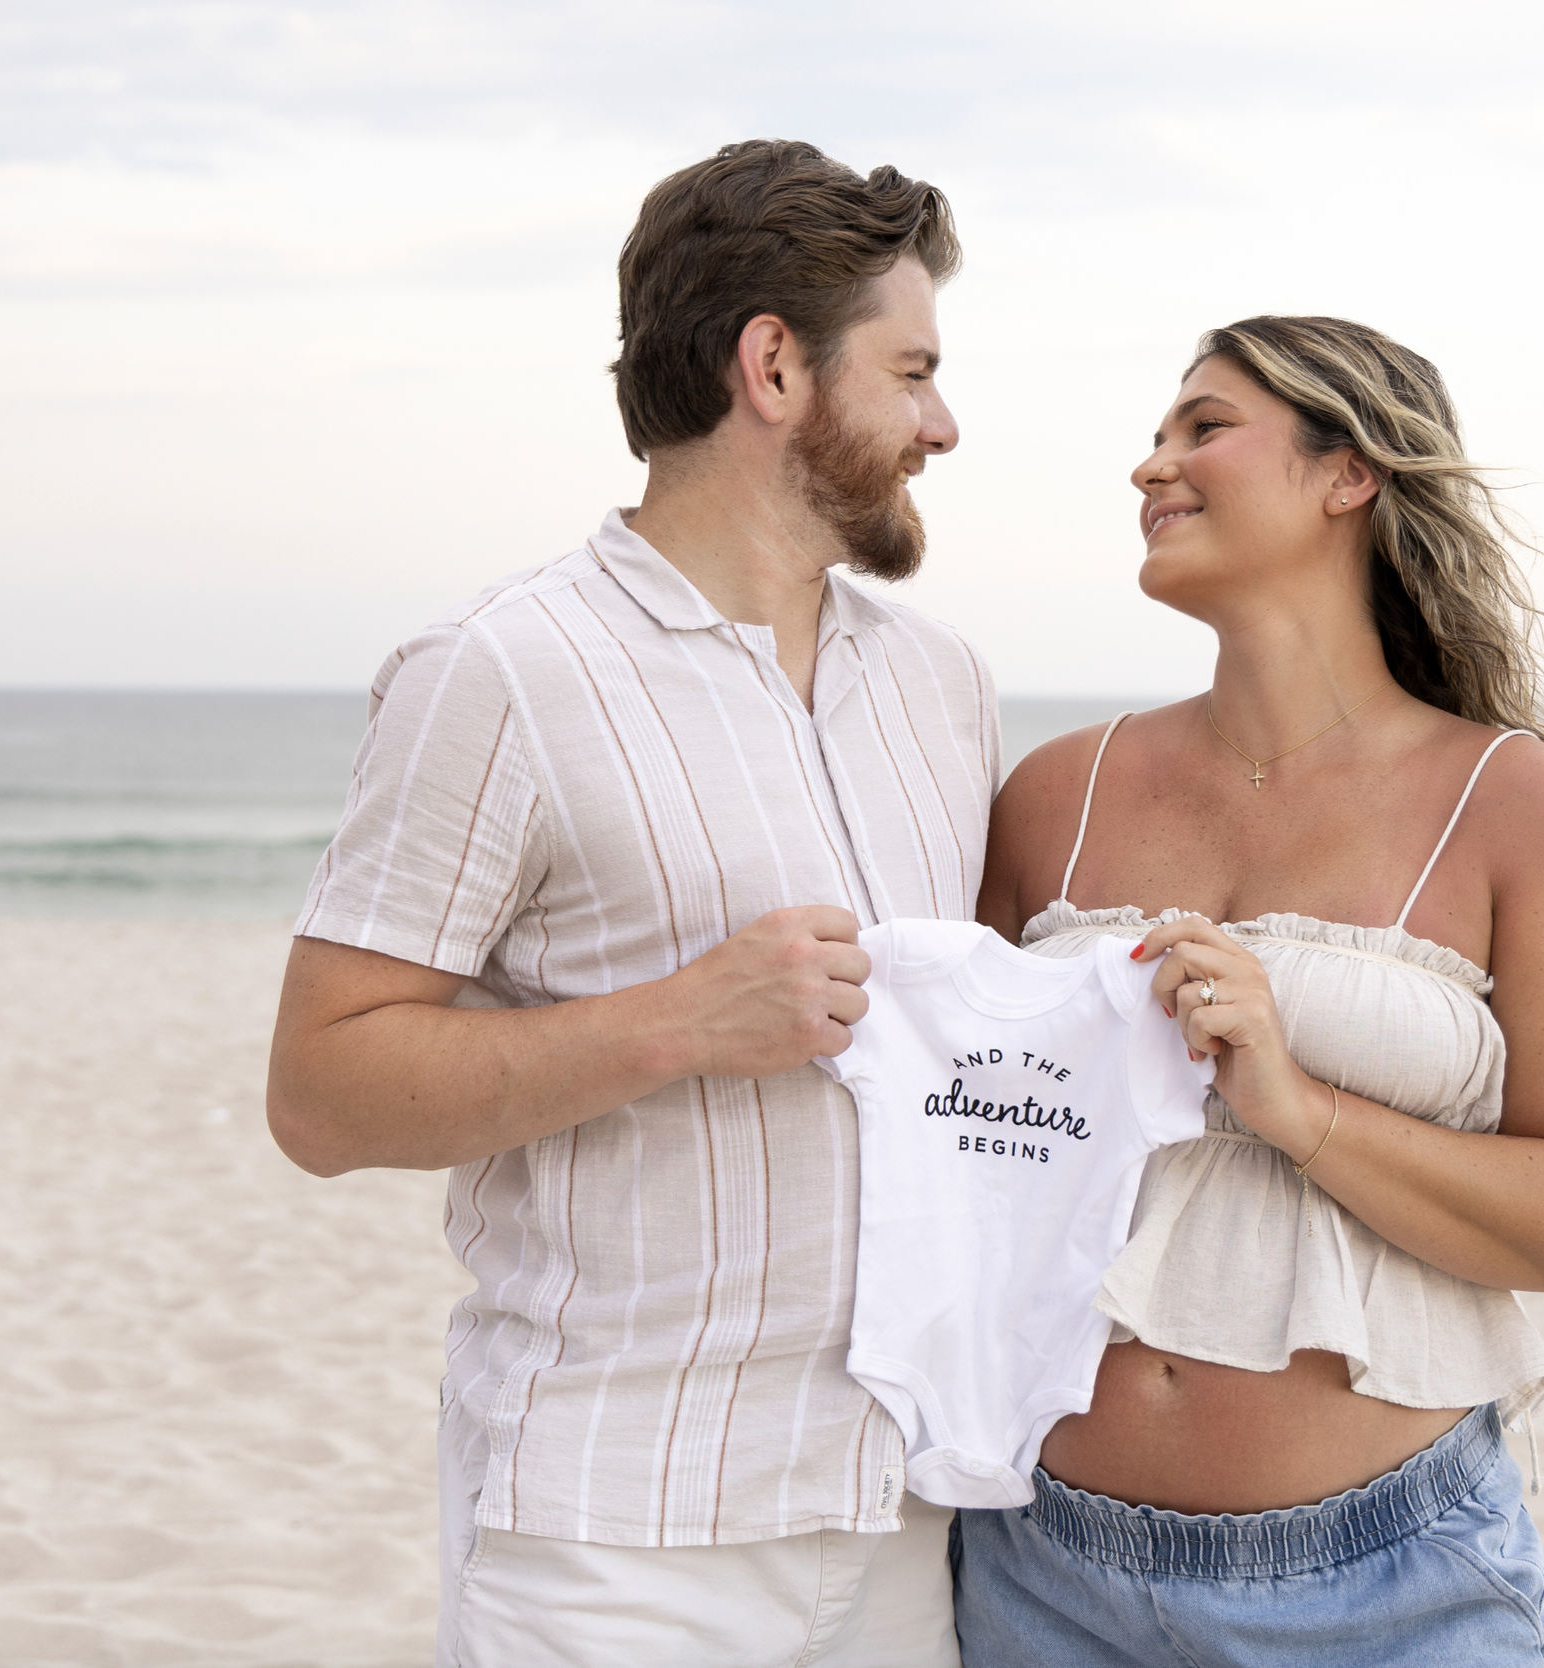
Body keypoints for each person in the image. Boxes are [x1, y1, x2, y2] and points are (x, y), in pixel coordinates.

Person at [265, 139, 992, 1668]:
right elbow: (322, 1092)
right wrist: (677, 1022)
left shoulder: (943, 686)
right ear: (774, 367)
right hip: (613, 1535)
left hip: (903, 1515)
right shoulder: (503, 672)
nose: (943, 423)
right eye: (912, 371)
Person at [961, 315, 1544, 1665]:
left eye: (1202, 427)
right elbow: (966, 1157)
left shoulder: (1508, 801)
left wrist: (1295, 1104)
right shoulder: (1056, 792)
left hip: (1390, 1587)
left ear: (1351, 476)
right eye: (1158, 434)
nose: (1150, 466)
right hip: (1037, 1568)